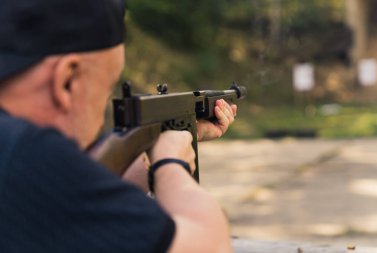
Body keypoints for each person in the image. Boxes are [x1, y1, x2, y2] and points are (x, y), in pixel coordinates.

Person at [0, 0, 237, 252]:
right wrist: (171, 165)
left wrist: (164, 144)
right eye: (105, 91)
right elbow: (211, 246)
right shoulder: (28, 153)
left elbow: (87, 201)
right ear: (67, 81)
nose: (102, 120)